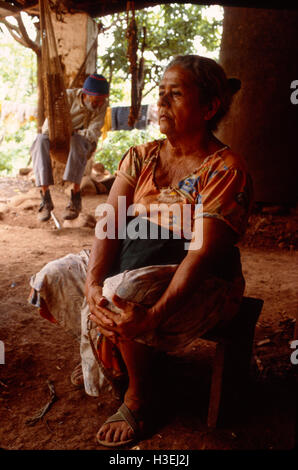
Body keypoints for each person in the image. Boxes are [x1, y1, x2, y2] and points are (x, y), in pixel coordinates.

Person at [29, 55, 252, 448]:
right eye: (160, 93)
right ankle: (112, 357)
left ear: (209, 107)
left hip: (203, 278)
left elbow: (201, 257)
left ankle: (140, 395)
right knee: (55, 277)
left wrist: (152, 316)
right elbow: (111, 224)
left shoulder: (225, 169)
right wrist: (93, 281)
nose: (161, 103)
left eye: (175, 94)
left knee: (120, 296)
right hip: (133, 259)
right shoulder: (141, 156)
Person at [31, 73, 109, 222]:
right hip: (58, 139)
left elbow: (93, 133)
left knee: (77, 140)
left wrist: (76, 133)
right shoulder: (66, 98)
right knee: (39, 140)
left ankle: (75, 197)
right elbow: (47, 129)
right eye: (96, 100)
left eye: (102, 100)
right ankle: (45, 198)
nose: (99, 104)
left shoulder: (102, 105)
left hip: (82, 142)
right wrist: (63, 132)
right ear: (86, 95)